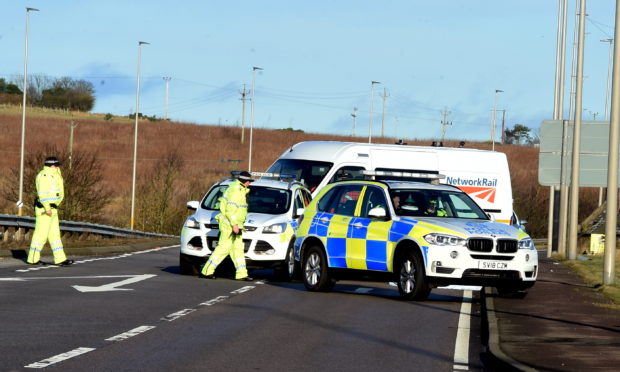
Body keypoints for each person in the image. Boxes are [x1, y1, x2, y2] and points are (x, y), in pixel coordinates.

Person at [201, 171, 254, 281]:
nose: (250, 184)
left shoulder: (239, 189)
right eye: (249, 181)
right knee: (223, 248)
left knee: (238, 249)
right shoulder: (236, 191)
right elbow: (230, 211)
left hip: (235, 225)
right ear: (245, 181)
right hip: (229, 225)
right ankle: (207, 271)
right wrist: (234, 225)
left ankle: (242, 274)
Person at [27, 157, 74, 266]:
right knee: (40, 235)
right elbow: (42, 194)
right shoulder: (43, 176)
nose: (58, 167)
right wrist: (47, 208)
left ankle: (61, 259)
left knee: (55, 236)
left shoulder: (54, 175)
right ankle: (33, 258)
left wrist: (54, 206)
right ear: (51, 165)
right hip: (45, 210)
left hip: (53, 209)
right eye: (56, 165)